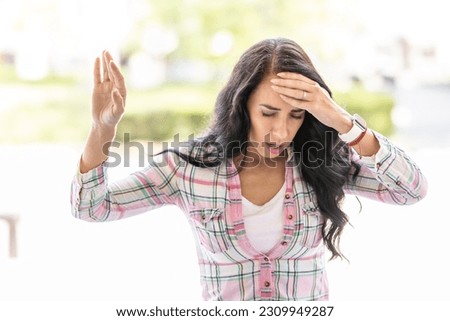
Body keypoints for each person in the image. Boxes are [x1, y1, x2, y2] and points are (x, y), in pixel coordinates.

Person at [71, 38, 427, 301]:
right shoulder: (187, 169)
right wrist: (102, 130)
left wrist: (343, 122)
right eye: (268, 113)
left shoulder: (323, 160)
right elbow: (91, 207)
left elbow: (411, 189)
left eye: (297, 115)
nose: (282, 130)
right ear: (242, 106)